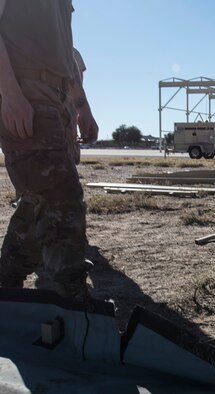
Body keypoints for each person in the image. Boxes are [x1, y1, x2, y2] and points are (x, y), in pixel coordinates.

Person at [0, 0, 98, 300]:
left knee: (39, 197)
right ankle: (73, 300)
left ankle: (7, 279)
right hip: (25, 91)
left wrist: (81, 107)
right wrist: (11, 94)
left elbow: (64, 52)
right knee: (62, 196)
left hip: (56, 97)